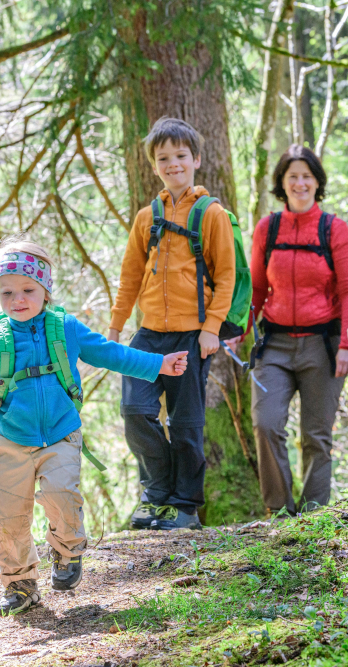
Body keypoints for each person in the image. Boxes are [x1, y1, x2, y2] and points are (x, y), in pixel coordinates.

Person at [0, 237, 189, 616]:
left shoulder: (64, 328)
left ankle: (66, 553)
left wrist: (158, 364)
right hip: (10, 442)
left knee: (62, 497)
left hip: (61, 435)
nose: (18, 299)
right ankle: (19, 585)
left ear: (45, 289)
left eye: (28, 290)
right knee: (10, 521)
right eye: (7, 292)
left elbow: (110, 353)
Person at [107, 117, 236, 531]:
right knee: (134, 410)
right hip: (148, 334)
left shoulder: (211, 214)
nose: (173, 164)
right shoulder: (148, 217)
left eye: (181, 155)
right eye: (164, 158)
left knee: (185, 422)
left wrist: (211, 327)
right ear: (154, 165)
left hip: (191, 333)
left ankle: (184, 505)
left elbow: (226, 275)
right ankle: (156, 492)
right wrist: (115, 327)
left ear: (196, 159)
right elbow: (130, 276)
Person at [233, 144, 348, 517]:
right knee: (266, 423)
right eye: (293, 177)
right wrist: (238, 330)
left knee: (316, 436)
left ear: (317, 182)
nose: (300, 183)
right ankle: (279, 513)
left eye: (307, 176)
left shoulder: (333, 228)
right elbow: (256, 288)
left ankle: (315, 516)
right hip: (274, 344)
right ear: (282, 184)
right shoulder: (267, 228)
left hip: (324, 344)